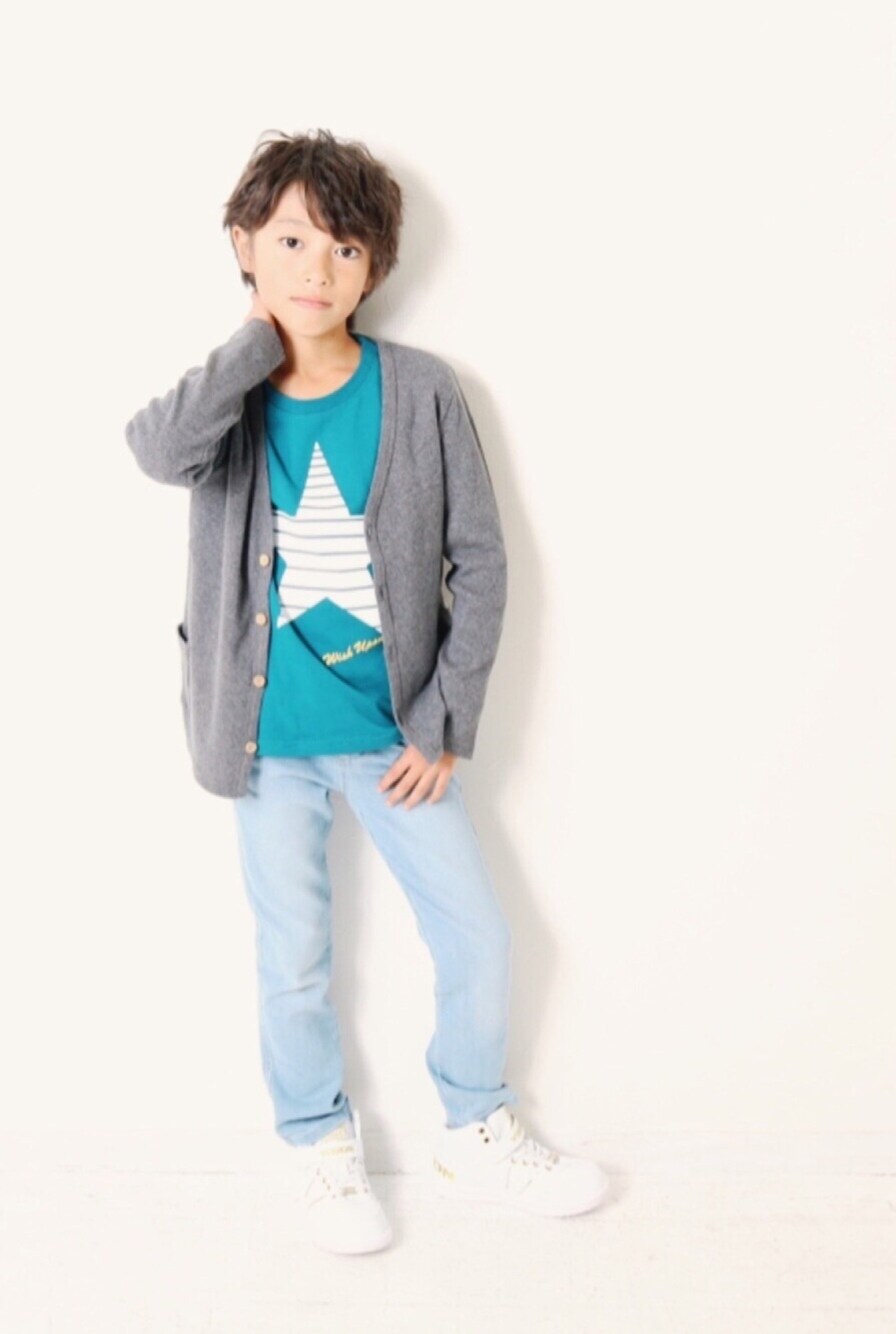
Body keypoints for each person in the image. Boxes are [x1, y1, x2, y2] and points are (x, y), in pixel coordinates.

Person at [124, 129, 609, 1255]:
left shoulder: (423, 390)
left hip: (394, 742)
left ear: (375, 267)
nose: (317, 269)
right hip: (263, 744)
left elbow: (480, 561)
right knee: (292, 959)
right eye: (292, 240)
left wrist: (442, 719)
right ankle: (318, 1146)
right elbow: (154, 450)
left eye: (344, 248)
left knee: (480, 937)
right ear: (245, 245)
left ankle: (475, 1123)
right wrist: (250, 345)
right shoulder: (229, 402)